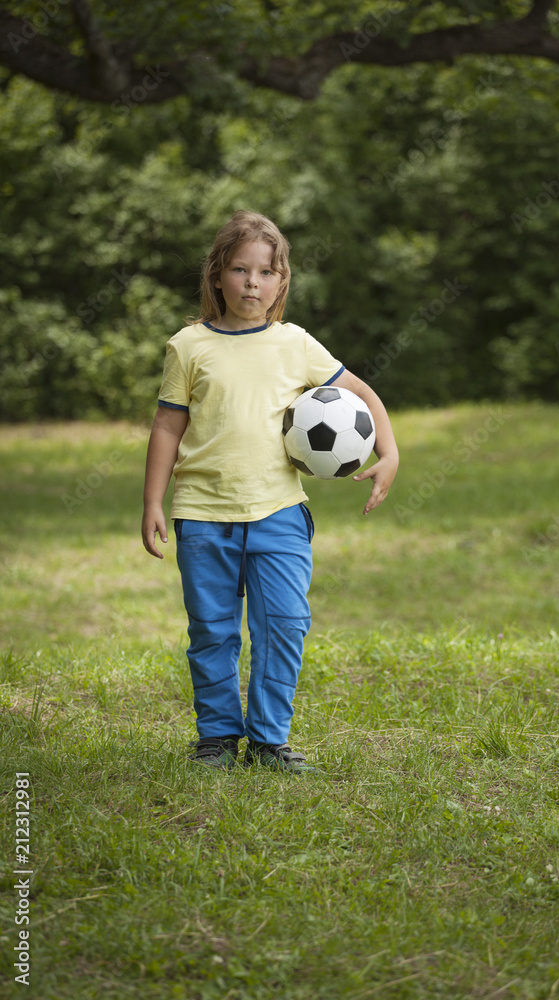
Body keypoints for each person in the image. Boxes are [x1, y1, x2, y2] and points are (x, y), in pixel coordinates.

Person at [141, 209, 399, 773]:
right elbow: (167, 426)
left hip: (280, 515)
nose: (251, 283)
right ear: (217, 277)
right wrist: (153, 502)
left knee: (284, 626)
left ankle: (268, 739)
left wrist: (390, 452)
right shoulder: (189, 346)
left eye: (265, 272)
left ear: (282, 281)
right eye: (239, 270)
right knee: (211, 631)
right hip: (204, 517)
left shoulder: (296, 345)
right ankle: (215, 738)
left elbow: (362, 393)